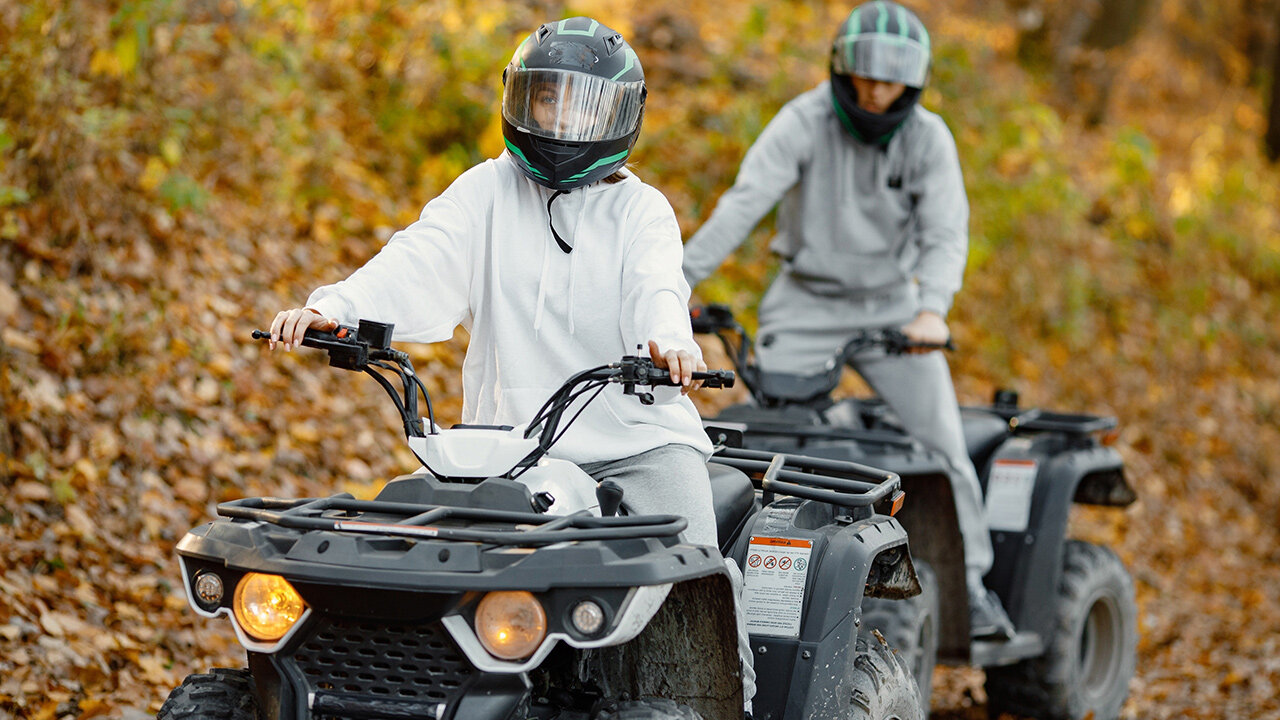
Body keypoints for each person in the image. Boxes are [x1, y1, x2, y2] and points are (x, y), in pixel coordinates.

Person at [267, 16, 756, 707]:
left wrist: (669, 342)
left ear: (623, 115)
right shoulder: (487, 192)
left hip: (636, 445)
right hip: (504, 451)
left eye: (582, 103)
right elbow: (418, 257)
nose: (560, 119)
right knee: (406, 580)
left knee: (693, 578)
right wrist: (337, 308)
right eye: (546, 98)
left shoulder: (641, 211)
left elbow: (656, 286)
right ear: (517, 100)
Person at [681, 0, 1015, 639]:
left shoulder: (927, 139)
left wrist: (931, 310)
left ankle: (973, 588)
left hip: (893, 311)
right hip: (805, 301)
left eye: (890, 81)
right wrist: (679, 283)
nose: (875, 90)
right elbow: (744, 202)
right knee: (765, 441)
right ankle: (739, 576)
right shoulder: (804, 120)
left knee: (942, 443)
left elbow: (947, 232)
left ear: (911, 84)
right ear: (842, 69)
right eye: (864, 76)